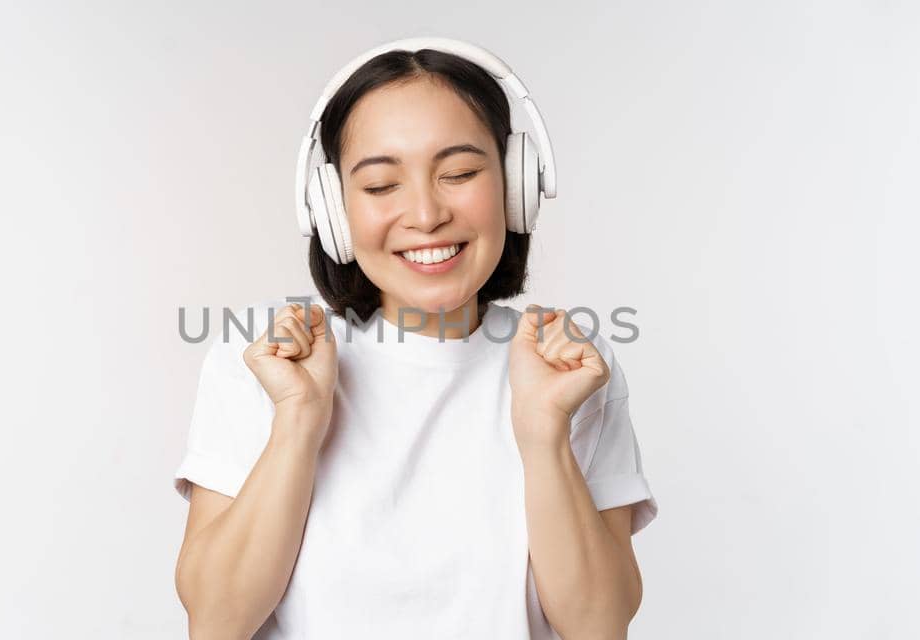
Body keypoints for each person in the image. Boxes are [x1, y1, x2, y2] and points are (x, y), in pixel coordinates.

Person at [172, 38, 658, 639]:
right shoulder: (265, 356)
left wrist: (544, 436)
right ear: (331, 209)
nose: (426, 214)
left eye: (458, 173)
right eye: (380, 185)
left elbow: (599, 627)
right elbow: (216, 622)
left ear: (515, 186)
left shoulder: (566, 364)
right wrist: (297, 421)